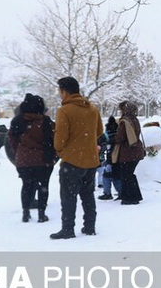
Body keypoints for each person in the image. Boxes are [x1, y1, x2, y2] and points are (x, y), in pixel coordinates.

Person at [51, 76, 104, 239]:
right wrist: (86, 142)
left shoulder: (64, 110)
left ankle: (67, 229)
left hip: (72, 161)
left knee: (68, 196)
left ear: (64, 91)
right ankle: (90, 226)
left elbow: (60, 140)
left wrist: (61, 150)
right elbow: (100, 131)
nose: (59, 94)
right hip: (90, 160)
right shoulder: (92, 109)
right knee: (88, 194)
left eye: (60, 91)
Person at [6, 93, 56, 223]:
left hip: (23, 160)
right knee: (43, 186)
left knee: (26, 185)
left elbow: (12, 139)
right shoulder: (46, 121)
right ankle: (41, 214)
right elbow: (53, 139)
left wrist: (21, 151)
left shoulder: (17, 121)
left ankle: (26, 213)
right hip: (43, 159)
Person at [111, 100, 145, 205]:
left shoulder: (124, 122)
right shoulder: (135, 120)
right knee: (130, 174)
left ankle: (129, 198)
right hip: (137, 151)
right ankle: (134, 196)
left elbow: (120, 138)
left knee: (126, 175)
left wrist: (112, 139)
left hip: (127, 153)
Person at [98, 116, 122, 200]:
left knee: (108, 177)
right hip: (117, 162)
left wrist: (109, 163)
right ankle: (120, 193)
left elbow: (110, 153)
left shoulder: (110, 141)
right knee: (116, 178)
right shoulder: (117, 139)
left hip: (113, 162)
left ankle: (108, 193)